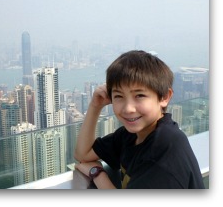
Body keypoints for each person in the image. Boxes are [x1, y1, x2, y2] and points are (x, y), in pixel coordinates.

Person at [74, 50, 205, 189]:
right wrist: (95, 106)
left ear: (165, 97)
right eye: (119, 96)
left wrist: (98, 174)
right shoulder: (130, 135)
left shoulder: (163, 150)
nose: (128, 108)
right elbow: (83, 154)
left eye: (140, 95)